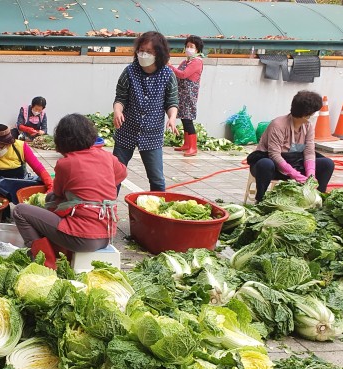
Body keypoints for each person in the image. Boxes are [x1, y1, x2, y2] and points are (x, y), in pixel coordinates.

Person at [12, 114, 126, 252]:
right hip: (107, 235)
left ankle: (44, 258)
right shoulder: (107, 156)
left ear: (61, 140)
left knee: (20, 211)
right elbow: (122, 174)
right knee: (54, 201)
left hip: (82, 239)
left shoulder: (65, 164)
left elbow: (58, 195)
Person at [112, 31, 179, 191]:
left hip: (152, 134)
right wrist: (117, 111)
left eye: (149, 51)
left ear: (159, 53)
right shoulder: (129, 71)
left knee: (157, 179)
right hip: (126, 130)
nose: (144, 54)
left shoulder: (167, 74)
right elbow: (120, 98)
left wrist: (172, 117)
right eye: (141, 50)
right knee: (114, 176)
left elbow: (172, 101)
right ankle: (107, 210)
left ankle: (157, 211)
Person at [247, 90, 335, 201]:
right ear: (305, 114)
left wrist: (310, 176)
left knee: (327, 164)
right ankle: (260, 200)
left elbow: (309, 152)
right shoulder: (278, 125)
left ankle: (316, 198)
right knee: (265, 164)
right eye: (313, 112)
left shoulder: (308, 126)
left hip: (295, 163)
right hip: (273, 166)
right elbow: (274, 155)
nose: (315, 115)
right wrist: (296, 175)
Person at [0, 124, 53, 203]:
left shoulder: (21, 147)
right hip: (0, 186)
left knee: (41, 181)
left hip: (21, 181)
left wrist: (50, 184)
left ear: (9, 143)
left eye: (0, 146)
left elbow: (38, 167)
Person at [169, 35, 204, 157]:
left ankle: (193, 147)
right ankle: (186, 144)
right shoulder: (186, 61)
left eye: (192, 47)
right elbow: (177, 73)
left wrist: (170, 66)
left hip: (189, 95)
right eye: (187, 46)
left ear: (198, 49)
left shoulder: (197, 62)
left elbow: (183, 74)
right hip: (182, 93)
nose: (189, 48)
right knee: (184, 118)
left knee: (188, 120)